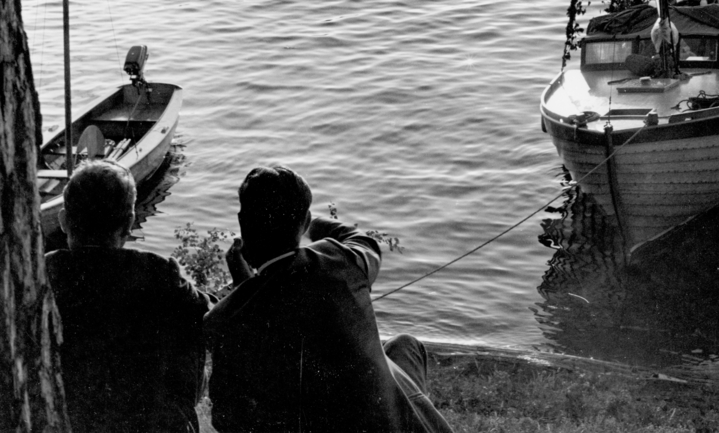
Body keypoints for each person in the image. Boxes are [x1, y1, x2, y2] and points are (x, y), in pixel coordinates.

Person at [205, 165, 453, 433]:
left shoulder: (224, 319)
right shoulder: (338, 261)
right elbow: (364, 243)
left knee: (403, 347)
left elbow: (227, 419)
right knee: (405, 346)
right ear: (303, 221)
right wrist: (313, 222)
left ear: (243, 222)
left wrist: (246, 285)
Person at [44, 160, 211, 433]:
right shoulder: (158, 272)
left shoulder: (43, 273)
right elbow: (210, 316)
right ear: (130, 222)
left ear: (63, 221)